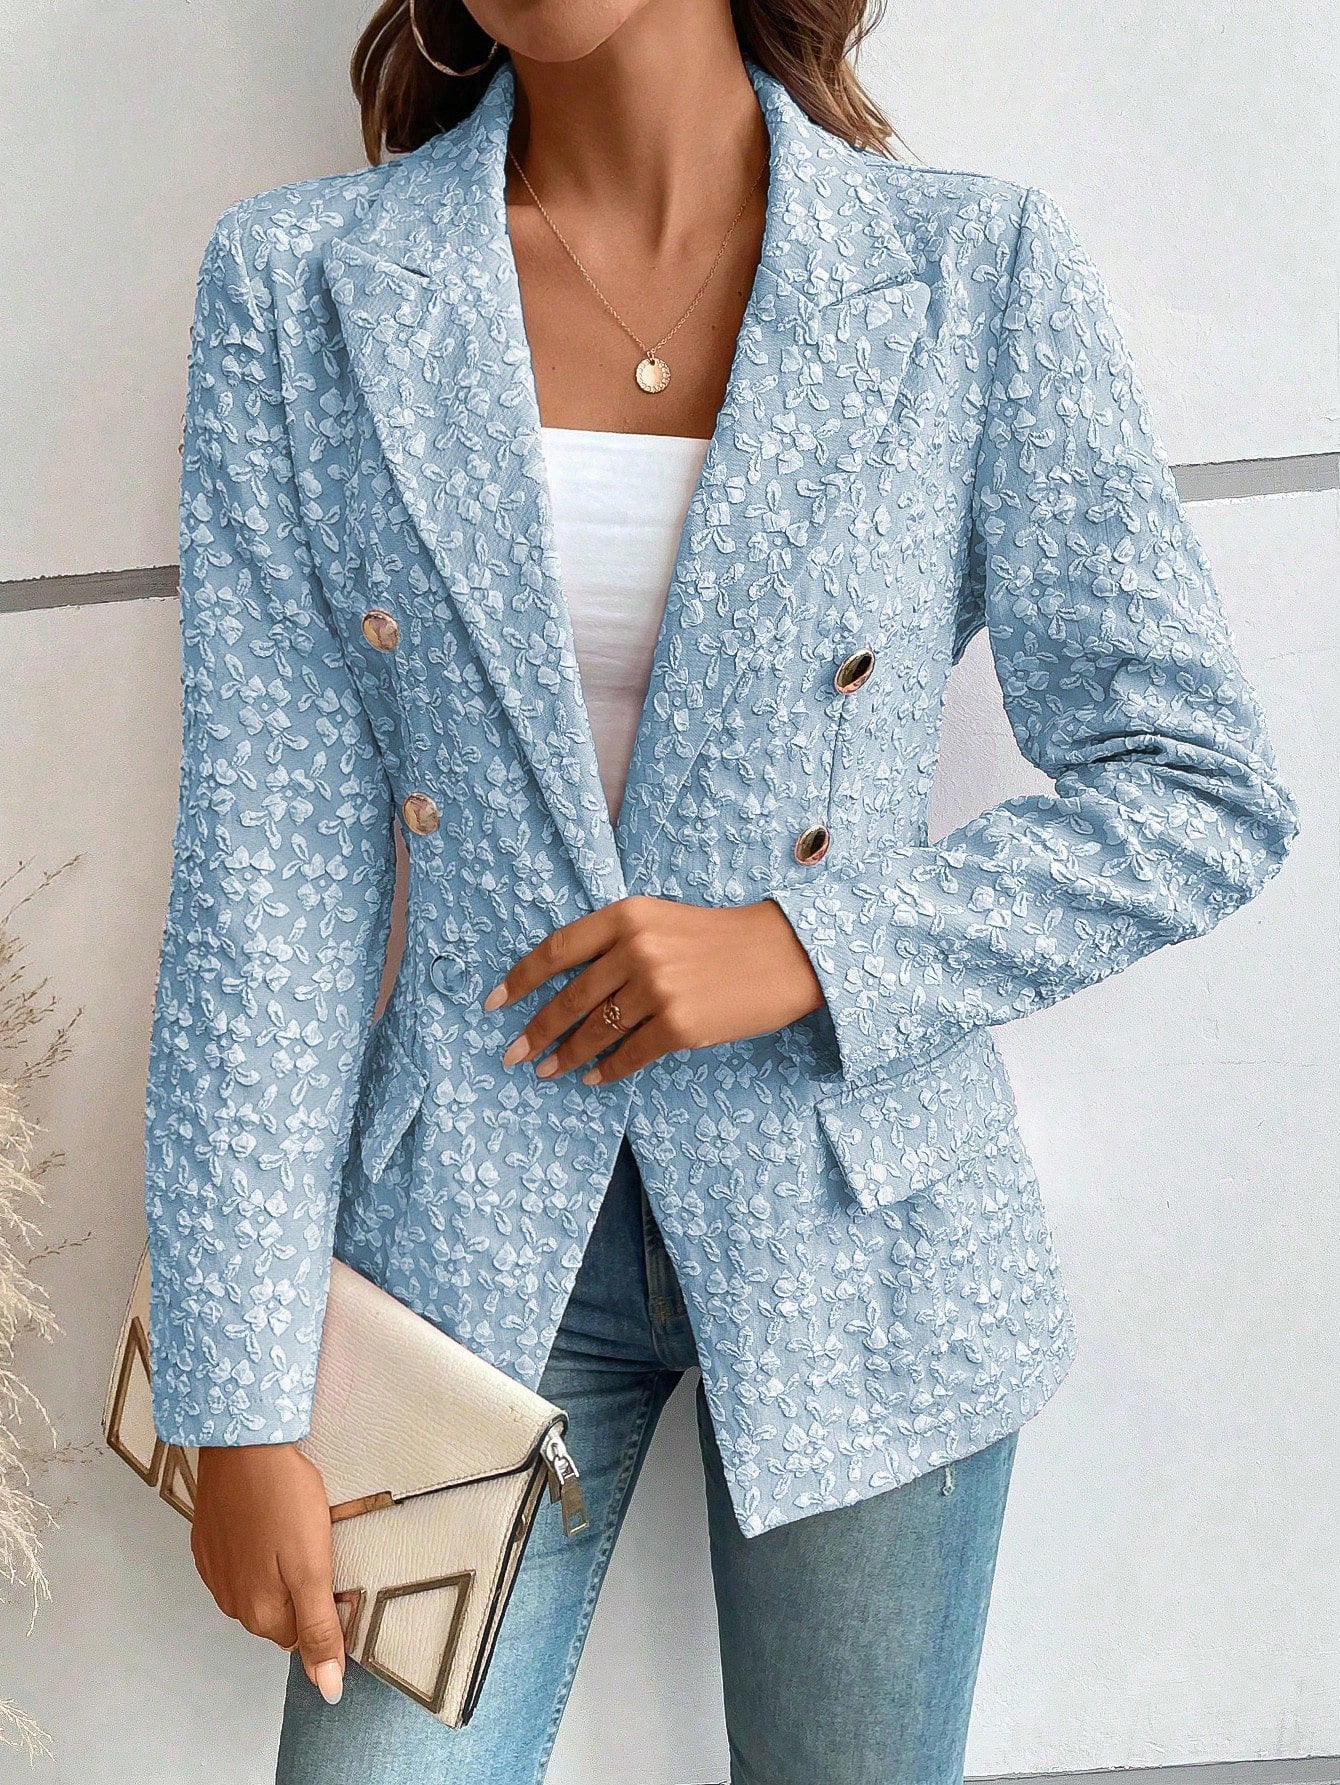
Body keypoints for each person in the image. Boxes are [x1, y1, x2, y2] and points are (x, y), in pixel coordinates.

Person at [142, 3, 1299, 1781]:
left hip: (864, 1225)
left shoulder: (970, 271)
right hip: (463, 1249)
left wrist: (807, 949)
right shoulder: (304, 288)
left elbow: (1198, 785)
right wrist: (232, 1393)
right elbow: (265, 880)